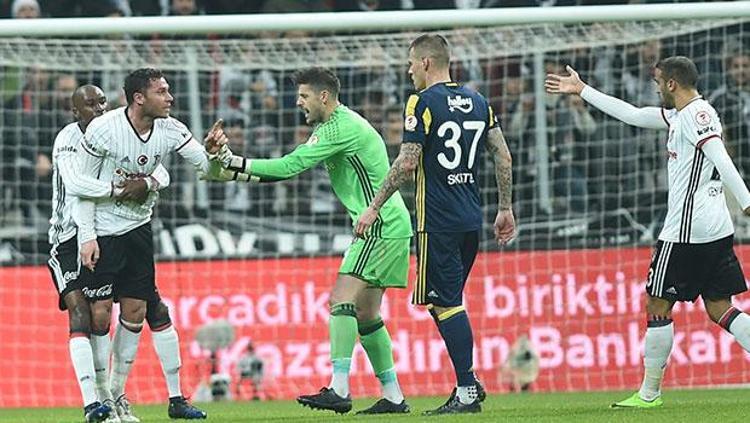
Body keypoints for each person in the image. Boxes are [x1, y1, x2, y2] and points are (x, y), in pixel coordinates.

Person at [545, 56, 750, 408]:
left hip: (686, 230)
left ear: (671, 83)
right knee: (719, 308)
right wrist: (583, 90)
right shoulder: (686, 114)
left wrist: (747, 202)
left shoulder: (696, 116)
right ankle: (649, 393)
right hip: (716, 229)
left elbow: (722, 157)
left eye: (658, 82)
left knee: (657, 303)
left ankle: (649, 393)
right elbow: (634, 114)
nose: (655, 88)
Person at [207, 67, 412, 415]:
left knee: (341, 301)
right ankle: (393, 397)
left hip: (379, 225)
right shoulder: (336, 125)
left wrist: (232, 162)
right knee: (366, 314)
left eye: (303, 96)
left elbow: (288, 167)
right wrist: (229, 170)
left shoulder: (339, 128)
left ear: (323, 96)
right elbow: (282, 171)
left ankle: (339, 388)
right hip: (387, 224)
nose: (298, 102)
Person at [355, 33, 515, 415]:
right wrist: (505, 208)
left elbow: (408, 162)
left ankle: (467, 390)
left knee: (446, 302)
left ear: (426, 62)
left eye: (411, 63)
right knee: (442, 302)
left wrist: (373, 206)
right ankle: (468, 381)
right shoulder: (479, 101)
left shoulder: (421, 102)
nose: (408, 70)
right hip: (471, 219)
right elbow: (503, 156)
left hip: (437, 220)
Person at [71, 68, 231, 420]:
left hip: (139, 230)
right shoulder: (103, 129)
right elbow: (80, 186)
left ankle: (117, 393)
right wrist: (87, 237)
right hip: (103, 231)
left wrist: (216, 153)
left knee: (135, 312)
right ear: (139, 98)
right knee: (100, 313)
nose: (170, 97)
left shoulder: (171, 128)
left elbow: (208, 170)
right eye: (162, 91)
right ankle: (101, 397)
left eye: (169, 90)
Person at [50, 84, 169, 423]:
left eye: (102, 102)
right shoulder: (68, 139)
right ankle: (94, 403)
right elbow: (76, 183)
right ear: (76, 112)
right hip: (67, 238)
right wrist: (122, 189)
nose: (99, 108)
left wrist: (147, 182)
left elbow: (158, 167)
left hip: (107, 233)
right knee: (81, 314)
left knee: (119, 312)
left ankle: (115, 396)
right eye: (90, 104)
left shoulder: (116, 134)